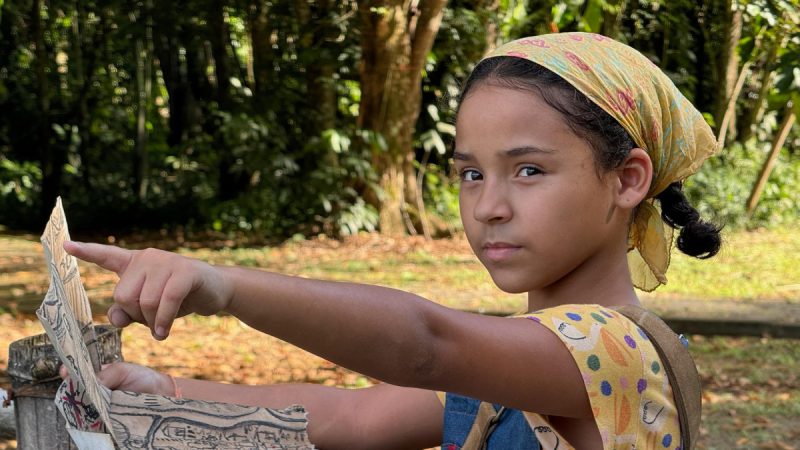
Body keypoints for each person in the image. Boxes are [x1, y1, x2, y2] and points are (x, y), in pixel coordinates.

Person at [63, 32, 721, 449]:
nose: (488, 207)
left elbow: (424, 346)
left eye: (529, 170)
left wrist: (223, 286)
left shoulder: (625, 352)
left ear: (626, 179)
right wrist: (166, 392)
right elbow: (351, 419)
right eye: (470, 173)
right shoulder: (508, 369)